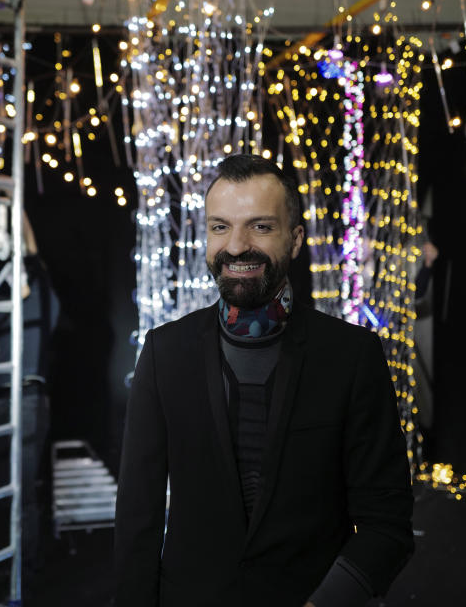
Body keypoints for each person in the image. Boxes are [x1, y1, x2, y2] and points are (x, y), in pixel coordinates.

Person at [114, 154, 414, 607]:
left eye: (259, 226)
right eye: (220, 226)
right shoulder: (164, 353)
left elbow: (387, 524)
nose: (236, 246)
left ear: (295, 240)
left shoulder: (351, 356)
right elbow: (138, 516)